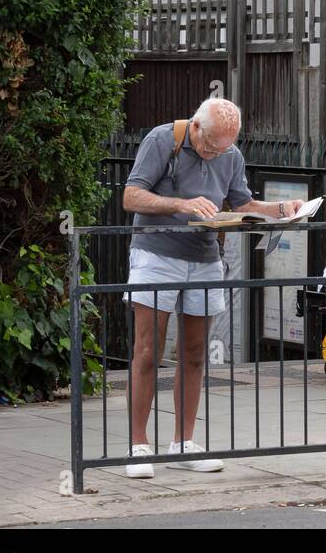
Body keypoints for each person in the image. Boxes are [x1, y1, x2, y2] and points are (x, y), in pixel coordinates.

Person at [121, 97, 306, 477]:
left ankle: (183, 443)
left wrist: (281, 209)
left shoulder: (230, 153)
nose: (216, 153)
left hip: (205, 259)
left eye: (225, 147)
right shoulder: (163, 140)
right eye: (211, 146)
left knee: (194, 353)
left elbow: (241, 202)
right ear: (196, 126)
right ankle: (138, 445)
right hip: (156, 256)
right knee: (147, 349)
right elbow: (130, 196)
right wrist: (181, 205)